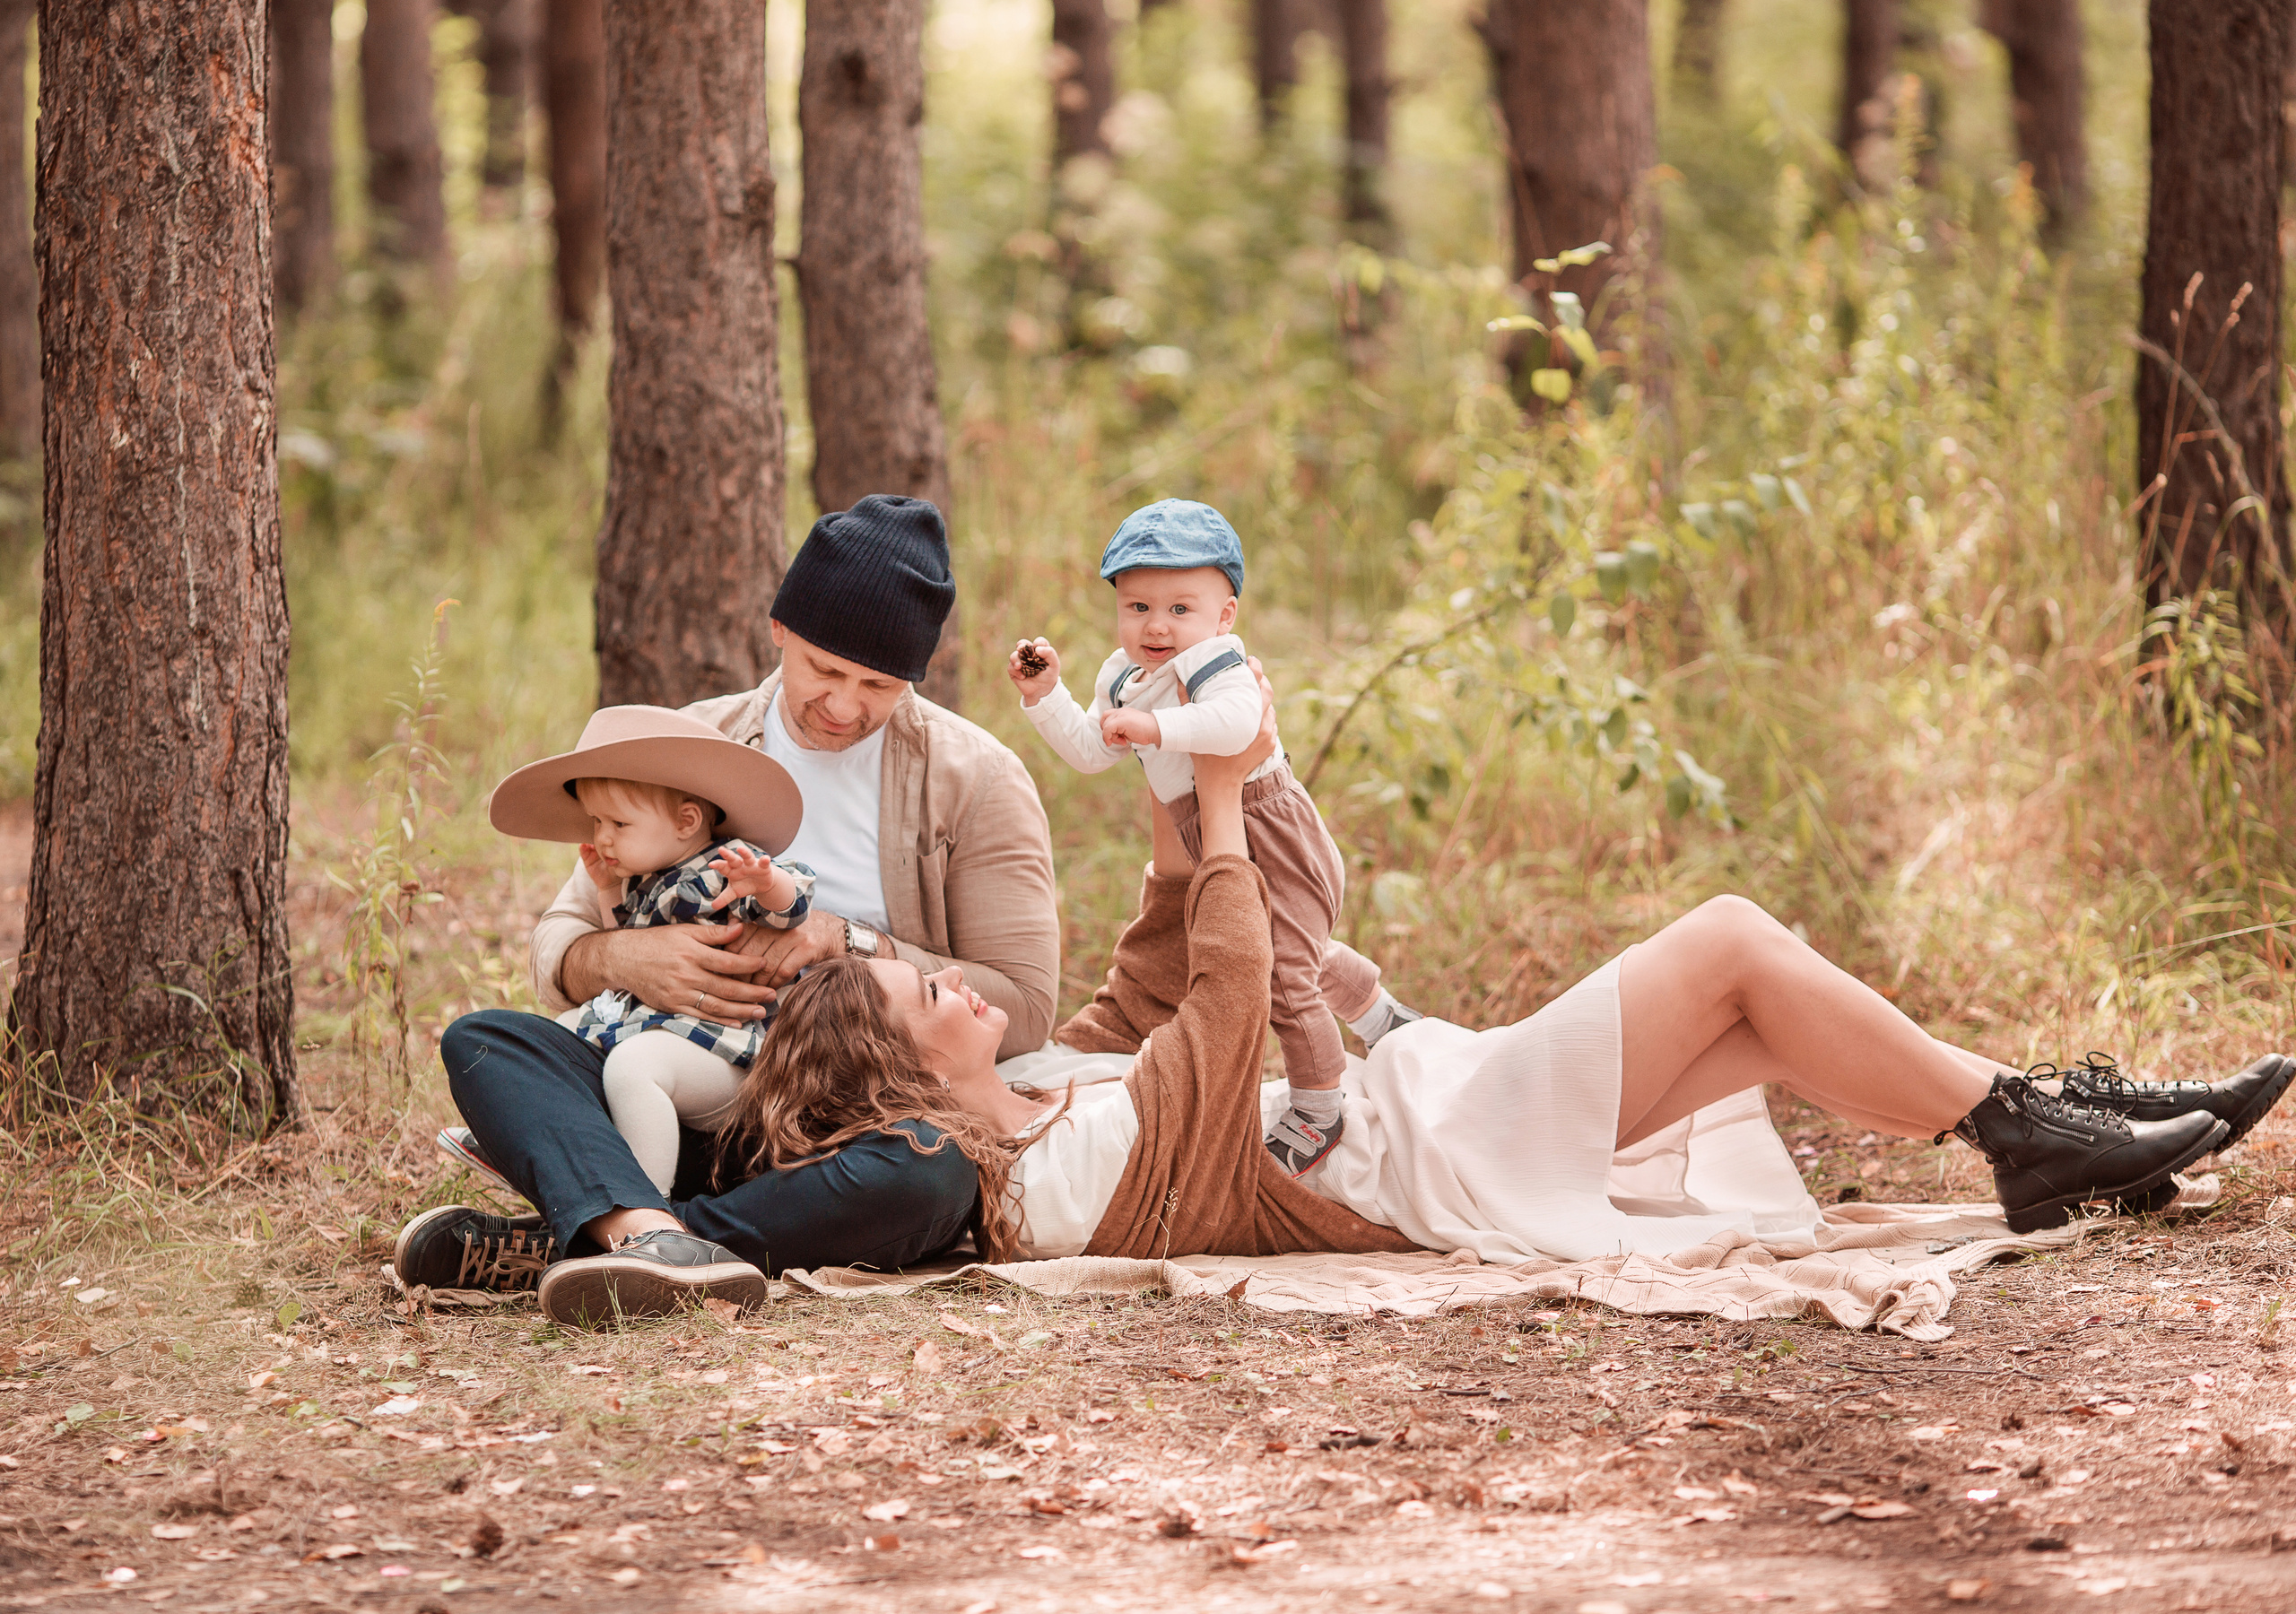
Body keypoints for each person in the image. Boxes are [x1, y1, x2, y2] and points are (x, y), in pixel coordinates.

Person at [713, 672, 2294, 1269]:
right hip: (1435, 1152)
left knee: (1758, 1018)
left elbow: (1152, 974)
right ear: (908, 1076)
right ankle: (2041, 1127)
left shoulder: (1048, 1088)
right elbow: (1216, 1010)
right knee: (1732, 938)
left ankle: (2059, 1125)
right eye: (930, 1001)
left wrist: (1163, 772)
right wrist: (1221, 798)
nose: (963, 986)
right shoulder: (1039, 1186)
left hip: (1431, 1099)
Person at [396, 495, 1054, 1323]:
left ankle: (614, 1234)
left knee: (933, 1171)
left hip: (841, 1138)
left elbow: (1027, 1004)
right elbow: (559, 946)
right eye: (824, 670)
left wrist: (844, 940)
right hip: (675, 1099)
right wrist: (629, 958)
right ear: (779, 628)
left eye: (878, 685)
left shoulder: (976, 780)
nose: (844, 705)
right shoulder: (689, 748)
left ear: (914, 678)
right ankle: (647, 1236)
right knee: (485, 1042)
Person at [1007, 499, 1413, 1179]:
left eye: (1180, 608)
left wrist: (1155, 730)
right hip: (1211, 835)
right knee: (1286, 948)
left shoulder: (1215, 662)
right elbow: (1092, 749)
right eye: (1138, 607)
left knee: (1281, 975)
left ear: (1224, 615)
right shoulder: (1123, 677)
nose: (1157, 625)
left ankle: (1320, 1105)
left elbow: (1235, 725)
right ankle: (1382, 1018)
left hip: (1271, 826)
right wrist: (1045, 697)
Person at [486, 704, 818, 1195]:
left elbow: (794, 908)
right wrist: (606, 891)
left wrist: (766, 884)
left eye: (618, 824)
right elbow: (623, 940)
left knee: (633, 1068)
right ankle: (521, 1140)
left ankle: (646, 1208)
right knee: (556, 1035)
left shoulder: (724, 869)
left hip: (725, 1050)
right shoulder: (645, 881)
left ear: (687, 821)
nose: (601, 837)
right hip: (660, 1028)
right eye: (596, 821)